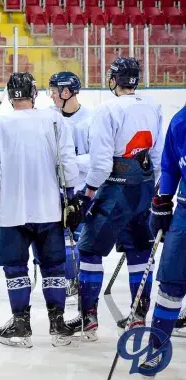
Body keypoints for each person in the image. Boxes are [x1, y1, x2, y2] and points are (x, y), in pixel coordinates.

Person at [0, 72, 83, 348]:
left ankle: (21, 325)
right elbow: (67, 164)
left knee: (15, 268)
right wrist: (71, 198)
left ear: (10, 95)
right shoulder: (53, 119)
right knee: (54, 268)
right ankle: (58, 324)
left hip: (12, 212)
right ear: (33, 93)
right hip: (49, 209)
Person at [65, 57, 164, 341]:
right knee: (140, 252)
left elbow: (100, 163)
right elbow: (155, 156)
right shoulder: (153, 106)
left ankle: (89, 319)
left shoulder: (107, 110)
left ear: (115, 80)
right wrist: (155, 189)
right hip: (144, 188)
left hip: (115, 190)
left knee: (89, 251)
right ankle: (138, 316)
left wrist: (89, 193)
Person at [140, 104, 186, 375]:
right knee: (170, 283)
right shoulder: (181, 121)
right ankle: (156, 348)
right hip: (184, 211)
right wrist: (163, 199)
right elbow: (170, 166)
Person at [48, 71, 93, 304]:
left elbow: (97, 158)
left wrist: (69, 162)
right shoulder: (48, 117)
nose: (51, 96)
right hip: (54, 191)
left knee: (80, 239)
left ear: (66, 92)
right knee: (57, 239)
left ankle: (79, 278)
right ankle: (63, 277)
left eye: (54, 92)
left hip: (82, 191)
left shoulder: (90, 120)